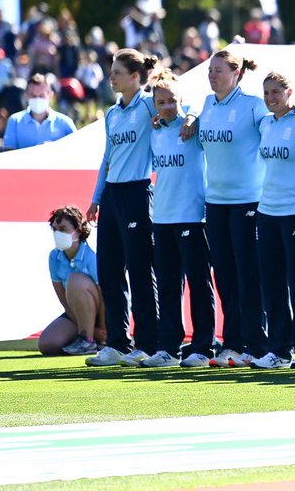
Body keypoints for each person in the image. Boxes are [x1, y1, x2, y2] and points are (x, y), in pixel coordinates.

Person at [84, 50, 162, 368]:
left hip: (138, 192)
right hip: (113, 196)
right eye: (111, 71)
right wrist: (96, 198)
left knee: (141, 271)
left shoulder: (147, 104)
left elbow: (179, 107)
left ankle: (147, 343)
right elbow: (107, 158)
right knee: (110, 271)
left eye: (117, 72)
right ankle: (117, 343)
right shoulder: (113, 113)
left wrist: (188, 118)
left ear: (134, 76)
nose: (111, 77)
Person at [197, 48, 269, 368]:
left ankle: (257, 343)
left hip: (248, 202)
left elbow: (277, 129)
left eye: (219, 70)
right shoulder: (207, 104)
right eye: (210, 70)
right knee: (224, 275)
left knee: (248, 274)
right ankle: (233, 343)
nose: (212, 76)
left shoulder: (253, 105)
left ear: (236, 73)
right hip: (216, 203)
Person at [145, 69, 216, 369]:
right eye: (161, 102)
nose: (167, 107)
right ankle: (169, 347)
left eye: (172, 101)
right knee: (169, 285)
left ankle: (203, 346)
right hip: (161, 218)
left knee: (199, 284)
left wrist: (190, 116)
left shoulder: (193, 126)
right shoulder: (156, 130)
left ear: (180, 100)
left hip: (192, 216)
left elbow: (204, 106)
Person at [253, 71, 295, 370]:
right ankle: (279, 350)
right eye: (267, 93)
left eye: (276, 92)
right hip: (267, 212)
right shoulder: (265, 124)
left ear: (289, 92)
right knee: (272, 284)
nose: (271, 98)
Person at [38, 206, 105, 356]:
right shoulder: (54, 257)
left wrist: (102, 328)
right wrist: (93, 330)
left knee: (75, 280)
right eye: (54, 229)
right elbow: (62, 297)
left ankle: (88, 341)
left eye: (63, 229)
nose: (57, 234)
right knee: (47, 344)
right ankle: (86, 336)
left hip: (103, 315)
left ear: (78, 230)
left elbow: (104, 294)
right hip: (77, 314)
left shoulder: (90, 257)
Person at [3, 74, 76, 150]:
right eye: (33, 96)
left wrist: (55, 149)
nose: (37, 99)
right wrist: (35, 152)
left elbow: (77, 151)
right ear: (26, 96)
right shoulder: (15, 121)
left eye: (41, 95)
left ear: (50, 95)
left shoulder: (65, 122)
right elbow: (8, 154)